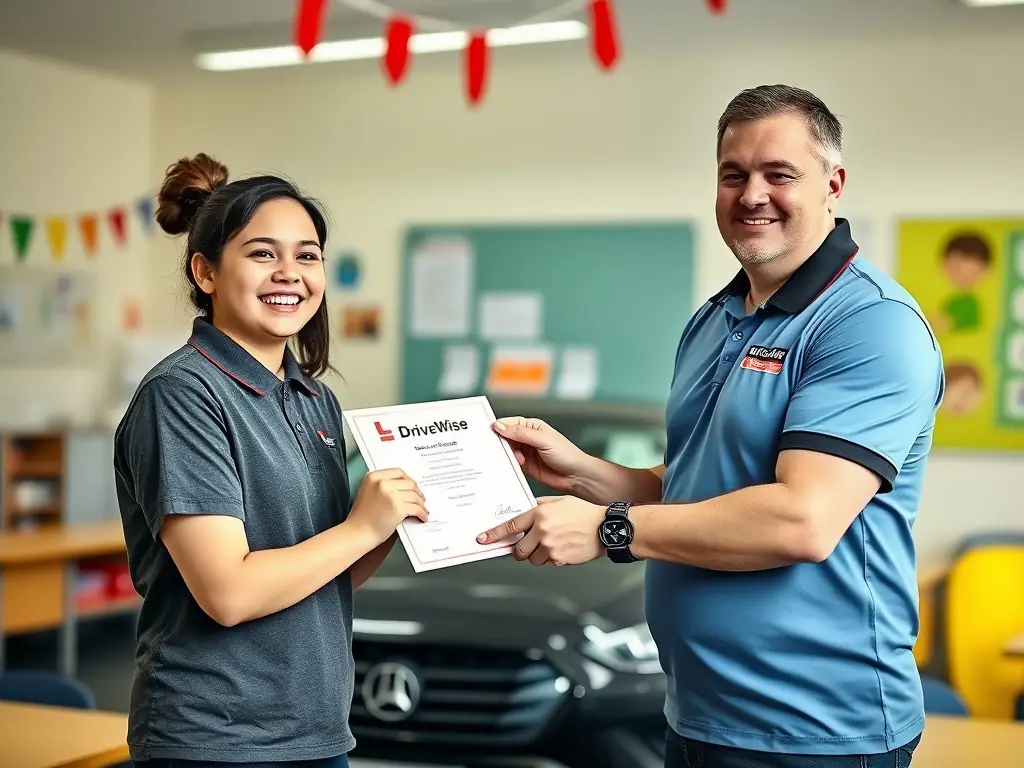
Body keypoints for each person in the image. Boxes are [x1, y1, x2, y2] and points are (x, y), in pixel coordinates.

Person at [476, 85, 944, 767]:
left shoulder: (870, 324)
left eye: (779, 173)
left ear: (833, 185)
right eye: (734, 174)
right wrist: (582, 474)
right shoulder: (714, 319)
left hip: (816, 733)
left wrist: (610, 529)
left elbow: (800, 520)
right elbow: (699, 484)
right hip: (697, 714)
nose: (753, 193)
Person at [114, 153, 428, 767]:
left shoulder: (315, 396)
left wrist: (389, 528)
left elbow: (326, 575)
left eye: (307, 255)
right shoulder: (182, 394)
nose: (290, 273)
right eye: (263, 254)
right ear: (205, 272)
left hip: (317, 733)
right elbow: (227, 592)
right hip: (214, 739)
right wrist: (361, 526)